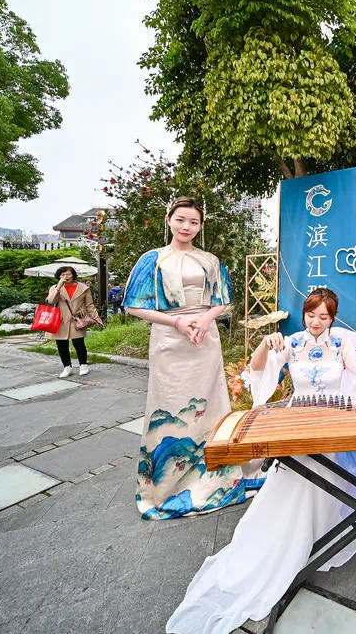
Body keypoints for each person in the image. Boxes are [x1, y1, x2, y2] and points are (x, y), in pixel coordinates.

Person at [166, 288, 356, 634]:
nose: (316, 322)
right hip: (299, 421)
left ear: (332, 318)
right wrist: (264, 344)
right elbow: (257, 369)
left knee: (336, 481)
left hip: (332, 420)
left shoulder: (340, 343)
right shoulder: (291, 342)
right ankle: (293, 545)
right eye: (311, 315)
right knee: (297, 486)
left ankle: (325, 537)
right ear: (304, 314)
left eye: (323, 317)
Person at [123, 196, 263, 520]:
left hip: (204, 338)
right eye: (181, 220)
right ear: (169, 220)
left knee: (212, 405)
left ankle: (219, 479)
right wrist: (176, 322)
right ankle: (167, 486)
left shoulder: (209, 260)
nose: (187, 226)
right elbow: (132, 306)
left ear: (201, 226)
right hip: (170, 339)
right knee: (170, 405)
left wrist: (205, 319)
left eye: (194, 222)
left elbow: (223, 299)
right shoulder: (153, 259)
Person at [45, 265, 94, 378]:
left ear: (73, 275)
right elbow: (51, 301)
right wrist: (59, 286)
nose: (66, 276)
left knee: (78, 342)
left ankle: (83, 365)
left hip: (77, 319)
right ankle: (67, 367)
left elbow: (89, 304)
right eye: (62, 274)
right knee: (61, 344)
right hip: (60, 319)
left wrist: (95, 317)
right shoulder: (54, 287)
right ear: (59, 276)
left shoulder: (83, 288)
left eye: (68, 274)